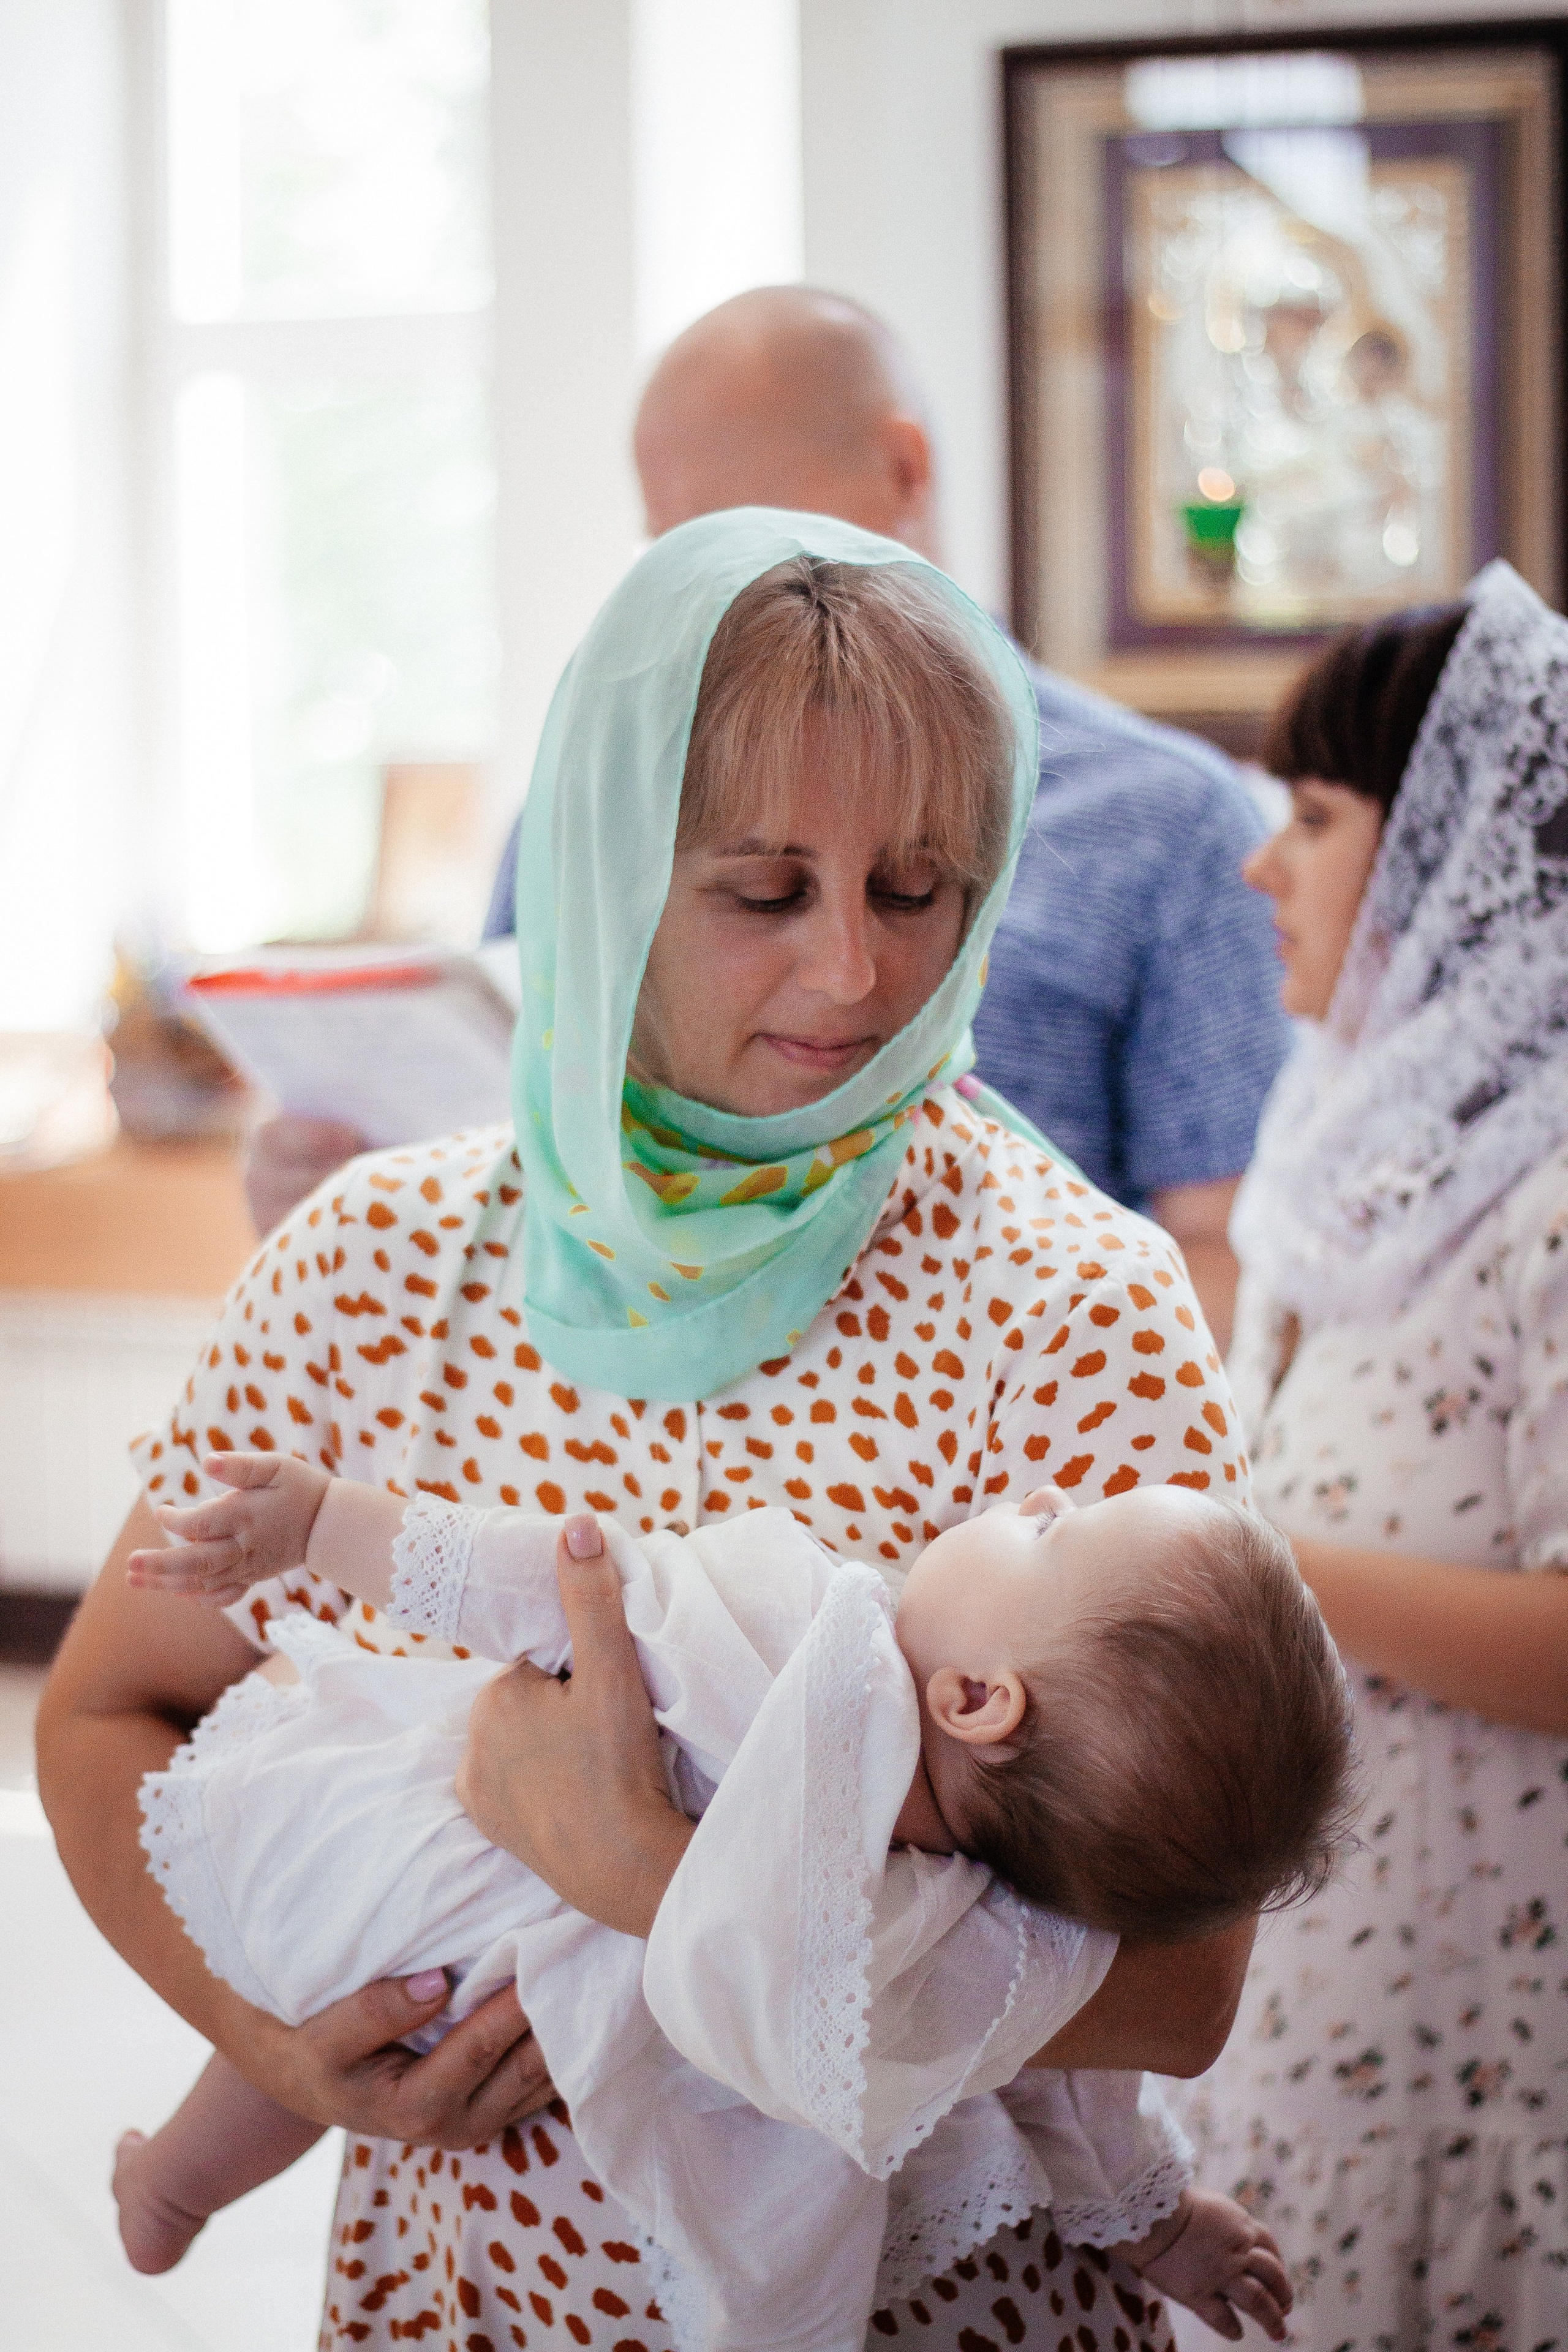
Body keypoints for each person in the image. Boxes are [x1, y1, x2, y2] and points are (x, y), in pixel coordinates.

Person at [42, 510, 1264, 2352]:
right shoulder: (379, 1260)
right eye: (765, 891)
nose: (856, 976)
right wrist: (278, 2052)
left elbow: (1184, 1984)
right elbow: (107, 1704)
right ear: (612, 867)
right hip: (463, 2295)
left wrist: (652, 1886)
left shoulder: (1071, 1306)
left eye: (921, 889)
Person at [249, 288, 1289, 1347]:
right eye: (679, 548)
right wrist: (369, 1216)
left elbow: (1234, 1256)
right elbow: (529, 1159)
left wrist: (969, 1407)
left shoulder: (1172, 825)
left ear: (904, 471)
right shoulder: (590, 816)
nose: (718, 590)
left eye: (914, 890)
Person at [113, 1455, 1349, 2343]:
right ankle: (174, 2187)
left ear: (979, 1699)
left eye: (1050, 1534)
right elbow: (1078, 2107)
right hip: (546, 2011)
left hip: (438, 1891)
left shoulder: (822, 1644)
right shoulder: (1002, 1936)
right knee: (369, 2012)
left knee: (329, 1996)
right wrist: (1156, 2224)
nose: (1032, 1495)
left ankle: (175, 2183)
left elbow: (556, 1582)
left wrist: (330, 1523)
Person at [1183, 561, 1568, 2348]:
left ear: (1464, 848)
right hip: (1326, 2001)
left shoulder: (1553, 1198)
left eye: (1316, 819)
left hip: (1500, 2034)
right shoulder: (1349, 1149)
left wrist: (1252, 1564)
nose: (1265, 868)